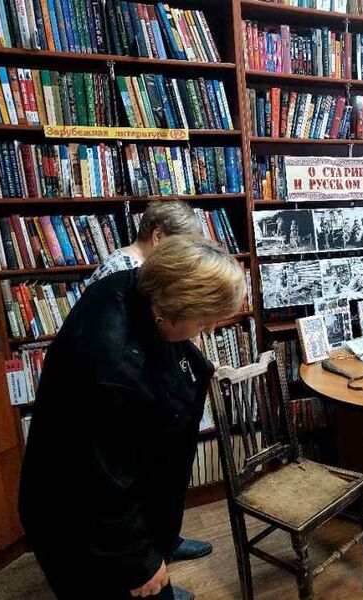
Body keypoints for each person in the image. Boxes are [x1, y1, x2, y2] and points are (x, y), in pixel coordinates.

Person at [19, 236, 247, 600]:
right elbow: (102, 482)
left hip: (118, 505)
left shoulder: (138, 285)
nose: (209, 331)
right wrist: (138, 560)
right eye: (205, 322)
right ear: (176, 308)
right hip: (85, 525)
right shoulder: (112, 365)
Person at [87, 200, 213, 564]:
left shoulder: (151, 270)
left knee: (164, 483)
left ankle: (165, 542)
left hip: (160, 388)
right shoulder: (121, 272)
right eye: (183, 244)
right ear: (159, 236)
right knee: (138, 484)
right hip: (137, 398)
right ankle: (149, 561)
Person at [88, 200, 202, 284]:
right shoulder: (129, 274)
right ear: (158, 237)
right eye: (182, 246)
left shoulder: (125, 261)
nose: (186, 254)